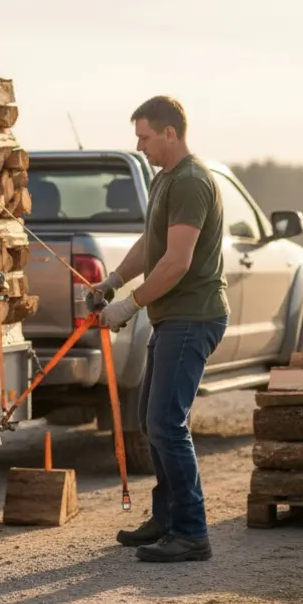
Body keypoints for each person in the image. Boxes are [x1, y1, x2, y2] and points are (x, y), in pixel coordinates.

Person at [93, 96, 229, 563]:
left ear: (170, 133)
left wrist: (130, 306)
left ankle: (192, 534)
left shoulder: (192, 182)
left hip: (194, 316)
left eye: (145, 137)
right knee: (151, 422)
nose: (140, 145)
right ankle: (167, 519)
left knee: (166, 424)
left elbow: (175, 263)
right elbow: (151, 246)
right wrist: (113, 283)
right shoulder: (164, 179)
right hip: (174, 318)